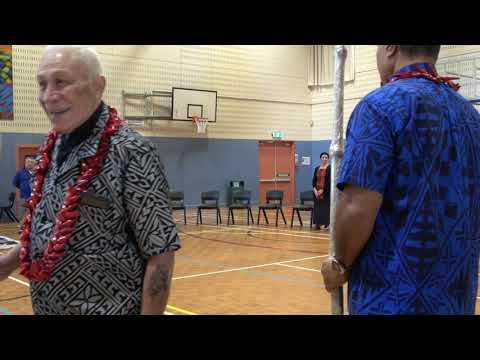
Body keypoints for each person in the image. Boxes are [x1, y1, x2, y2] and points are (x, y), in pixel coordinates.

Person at [0, 45, 181, 315]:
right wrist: (8, 263)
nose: (48, 96)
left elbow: (161, 253)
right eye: (42, 84)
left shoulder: (132, 152)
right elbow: (48, 226)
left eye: (61, 82)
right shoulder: (53, 146)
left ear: (98, 86)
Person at [321, 45, 480, 315]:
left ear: (391, 47)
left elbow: (356, 205)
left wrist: (341, 264)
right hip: (456, 296)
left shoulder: (378, 107)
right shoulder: (472, 118)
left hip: (390, 297)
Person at [312, 152, 331, 230]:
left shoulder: (330, 168)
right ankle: (318, 223)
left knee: (325, 208)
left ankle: (327, 224)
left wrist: (322, 190)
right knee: (317, 208)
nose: (324, 159)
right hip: (316, 192)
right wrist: (315, 190)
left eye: (326, 157)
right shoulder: (317, 168)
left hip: (326, 192)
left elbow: (328, 181)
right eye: (323, 157)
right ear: (320, 158)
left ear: (328, 159)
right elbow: (314, 180)